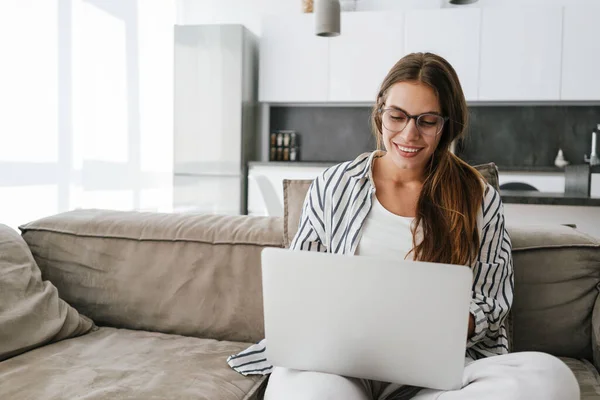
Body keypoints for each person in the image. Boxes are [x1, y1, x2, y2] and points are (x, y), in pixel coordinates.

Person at [227, 52, 580, 400]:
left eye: (426, 121)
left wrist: (444, 326)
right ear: (380, 112)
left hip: (435, 376)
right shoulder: (334, 185)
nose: (409, 134)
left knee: (551, 379)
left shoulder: (478, 198)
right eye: (397, 116)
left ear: (446, 125)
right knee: (301, 388)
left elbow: (491, 299)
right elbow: (300, 284)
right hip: (340, 367)